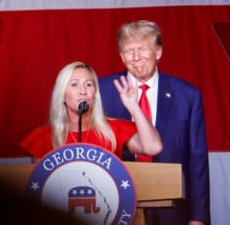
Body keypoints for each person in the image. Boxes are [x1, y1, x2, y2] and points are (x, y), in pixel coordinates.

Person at [99, 20, 210, 225]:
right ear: (122, 56)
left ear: (158, 52)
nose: (136, 56)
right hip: (117, 204)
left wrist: (199, 217)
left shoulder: (187, 95)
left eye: (142, 49)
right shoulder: (102, 91)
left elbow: (198, 161)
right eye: (129, 50)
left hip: (173, 207)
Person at [20, 61, 163, 161]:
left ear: (95, 94)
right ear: (63, 95)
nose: (83, 91)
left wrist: (134, 107)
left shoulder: (114, 130)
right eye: (74, 85)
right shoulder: (44, 137)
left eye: (88, 84)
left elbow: (153, 148)